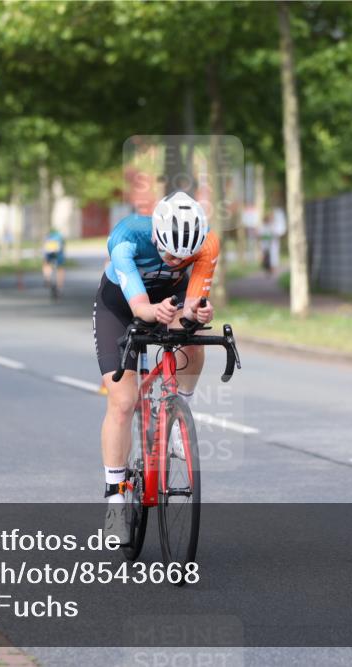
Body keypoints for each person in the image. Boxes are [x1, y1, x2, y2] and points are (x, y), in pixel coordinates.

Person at [92, 191, 218, 543]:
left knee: (194, 338)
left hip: (169, 303)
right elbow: (141, 308)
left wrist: (197, 312)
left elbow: (192, 305)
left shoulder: (207, 246)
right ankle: (116, 501)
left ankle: (178, 419)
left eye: (184, 258)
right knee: (122, 400)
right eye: (167, 253)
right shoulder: (126, 237)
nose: (175, 260)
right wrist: (152, 312)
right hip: (121, 306)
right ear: (156, 237)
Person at [41, 228, 66, 293]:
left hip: (49, 248)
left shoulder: (48, 236)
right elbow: (63, 245)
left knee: (46, 263)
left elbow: (44, 245)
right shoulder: (59, 236)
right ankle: (59, 285)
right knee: (60, 268)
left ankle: (47, 278)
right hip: (58, 250)